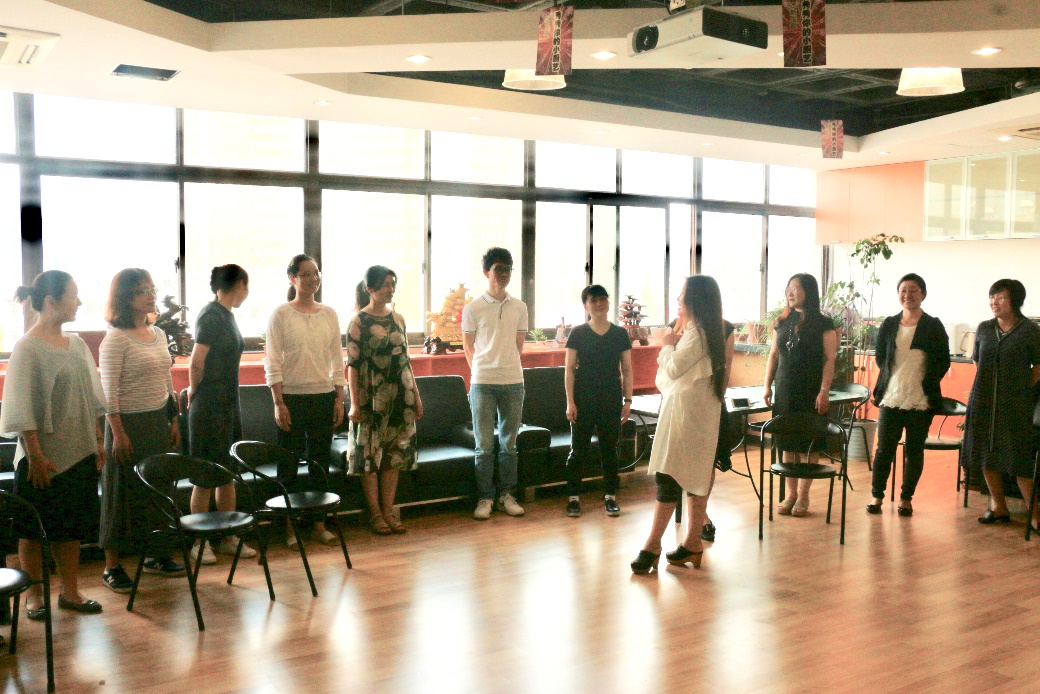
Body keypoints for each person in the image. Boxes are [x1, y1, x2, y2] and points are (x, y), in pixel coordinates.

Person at [0, 271, 107, 618]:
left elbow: (90, 397)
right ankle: (34, 596)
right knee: (33, 530)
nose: (79, 302)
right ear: (51, 301)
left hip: (79, 451)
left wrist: (97, 439)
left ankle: (70, 592)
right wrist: (35, 454)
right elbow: (20, 407)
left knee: (70, 529)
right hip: (41, 458)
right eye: (73, 296)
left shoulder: (76, 344)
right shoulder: (27, 347)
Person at [631, 275, 727, 574]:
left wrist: (666, 346)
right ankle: (691, 543)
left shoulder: (698, 333)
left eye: (683, 293)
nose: (678, 299)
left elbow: (672, 369)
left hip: (689, 415)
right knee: (688, 474)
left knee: (672, 474)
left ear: (695, 299)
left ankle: (653, 546)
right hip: (689, 412)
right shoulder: (700, 330)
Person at [98, 269, 186, 594]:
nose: (150, 296)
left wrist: (173, 420)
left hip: (156, 421)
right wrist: (118, 433)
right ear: (125, 298)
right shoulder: (115, 339)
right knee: (120, 494)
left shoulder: (158, 333)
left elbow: (166, 379)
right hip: (126, 426)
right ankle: (111, 566)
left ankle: (156, 555)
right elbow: (108, 392)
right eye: (141, 291)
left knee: (158, 490)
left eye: (151, 289)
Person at [265, 254, 345, 547]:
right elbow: (272, 361)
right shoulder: (281, 314)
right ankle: (289, 528)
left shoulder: (329, 314)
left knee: (319, 464)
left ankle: (318, 524)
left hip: (323, 396)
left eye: (316, 273)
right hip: (291, 399)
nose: (313, 279)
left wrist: (339, 398)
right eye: (306, 274)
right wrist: (278, 402)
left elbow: (337, 359)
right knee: (287, 464)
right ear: (292, 278)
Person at [346, 265, 423, 534]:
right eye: (386, 284)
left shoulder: (398, 319)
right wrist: (354, 403)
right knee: (370, 456)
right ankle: (375, 514)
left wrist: (416, 397)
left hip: (400, 395)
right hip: (370, 397)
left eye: (393, 284)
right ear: (370, 288)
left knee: (394, 456)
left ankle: (389, 512)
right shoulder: (358, 321)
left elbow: (406, 361)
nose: (391, 289)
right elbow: (352, 365)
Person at [866, 274, 950, 517]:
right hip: (891, 395)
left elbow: (942, 361)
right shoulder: (889, 324)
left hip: (920, 397)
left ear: (923, 294)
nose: (908, 295)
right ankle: (877, 495)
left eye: (913, 290)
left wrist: (925, 380)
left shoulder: (933, 325)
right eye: (903, 290)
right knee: (884, 450)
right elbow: (881, 357)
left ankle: (906, 498)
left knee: (914, 450)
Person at [187, 264, 255, 564]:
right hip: (208, 406)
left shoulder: (227, 315)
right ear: (240, 284)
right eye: (247, 286)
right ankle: (199, 542)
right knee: (205, 476)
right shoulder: (211, 315)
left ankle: (228, 536)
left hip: (227, 404)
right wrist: (194, 391)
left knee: (227, 474)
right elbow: (196, 361)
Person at [961, 279, 1040, 528]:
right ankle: (998, 506)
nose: (994, 302)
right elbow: (977, 359)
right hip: (983, 399)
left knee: (1019, 459)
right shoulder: (984, 328)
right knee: (986, 453)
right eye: (992, 297)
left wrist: (1022, 387)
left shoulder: (1029, 330)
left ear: (1015, 301)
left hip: (1015, 403)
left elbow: (1039, 365)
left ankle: (1036, 515)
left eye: (1001, 297)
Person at [761, 273, 837, 517]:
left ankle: (804, 496)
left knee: (808, 444)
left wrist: (824, 391)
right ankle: (790, 493)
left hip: (811, 390)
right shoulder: (782, 321)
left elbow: (830, 359)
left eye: (795, 288)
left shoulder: (824, 323)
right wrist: (767, 385)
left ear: (809, 292)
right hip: (785, 389)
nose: (790, 292)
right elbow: (774, 355)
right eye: (788, 288)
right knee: (787, 443)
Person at [462, 247, 528, 521]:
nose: (504, 274)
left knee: (509, 444)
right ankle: (485, 497)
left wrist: (505, 366)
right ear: (486, 272)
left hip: (513, 381)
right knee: (484, 445)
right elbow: (468, 347)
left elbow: (518, 346)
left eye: (508, 269)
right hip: (483, 383)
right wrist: (483, 371)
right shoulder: (473, 308)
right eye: (498, 268)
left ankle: (506, 495)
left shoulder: (520, 307)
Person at [563, 285, 633, 518]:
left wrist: (627, 401)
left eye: (603, 299)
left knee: (609, 450)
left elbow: (627, 369)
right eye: (593, 300)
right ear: (586, 306)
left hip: (611, 398)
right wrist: (570, 402)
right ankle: (573, 498)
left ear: (608, 303)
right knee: (578, 450)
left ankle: (610, 497)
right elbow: (569, 370)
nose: (599, 304)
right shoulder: (578, 333)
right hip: (583, 398)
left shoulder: (620, 334)